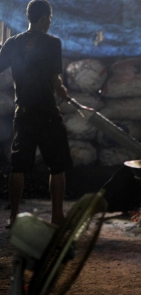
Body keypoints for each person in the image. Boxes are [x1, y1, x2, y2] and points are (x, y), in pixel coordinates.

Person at [0, 0, 72, 228]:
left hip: (24, 112)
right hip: (47, 112)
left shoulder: (12, 43)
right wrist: (62, 92)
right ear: (43, 18)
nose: (50, 22)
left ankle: (13, 218)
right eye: (49, 18)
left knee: (18, 166)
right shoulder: (53, 43)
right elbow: (55, 81)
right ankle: (57, 216)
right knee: (57, 166)